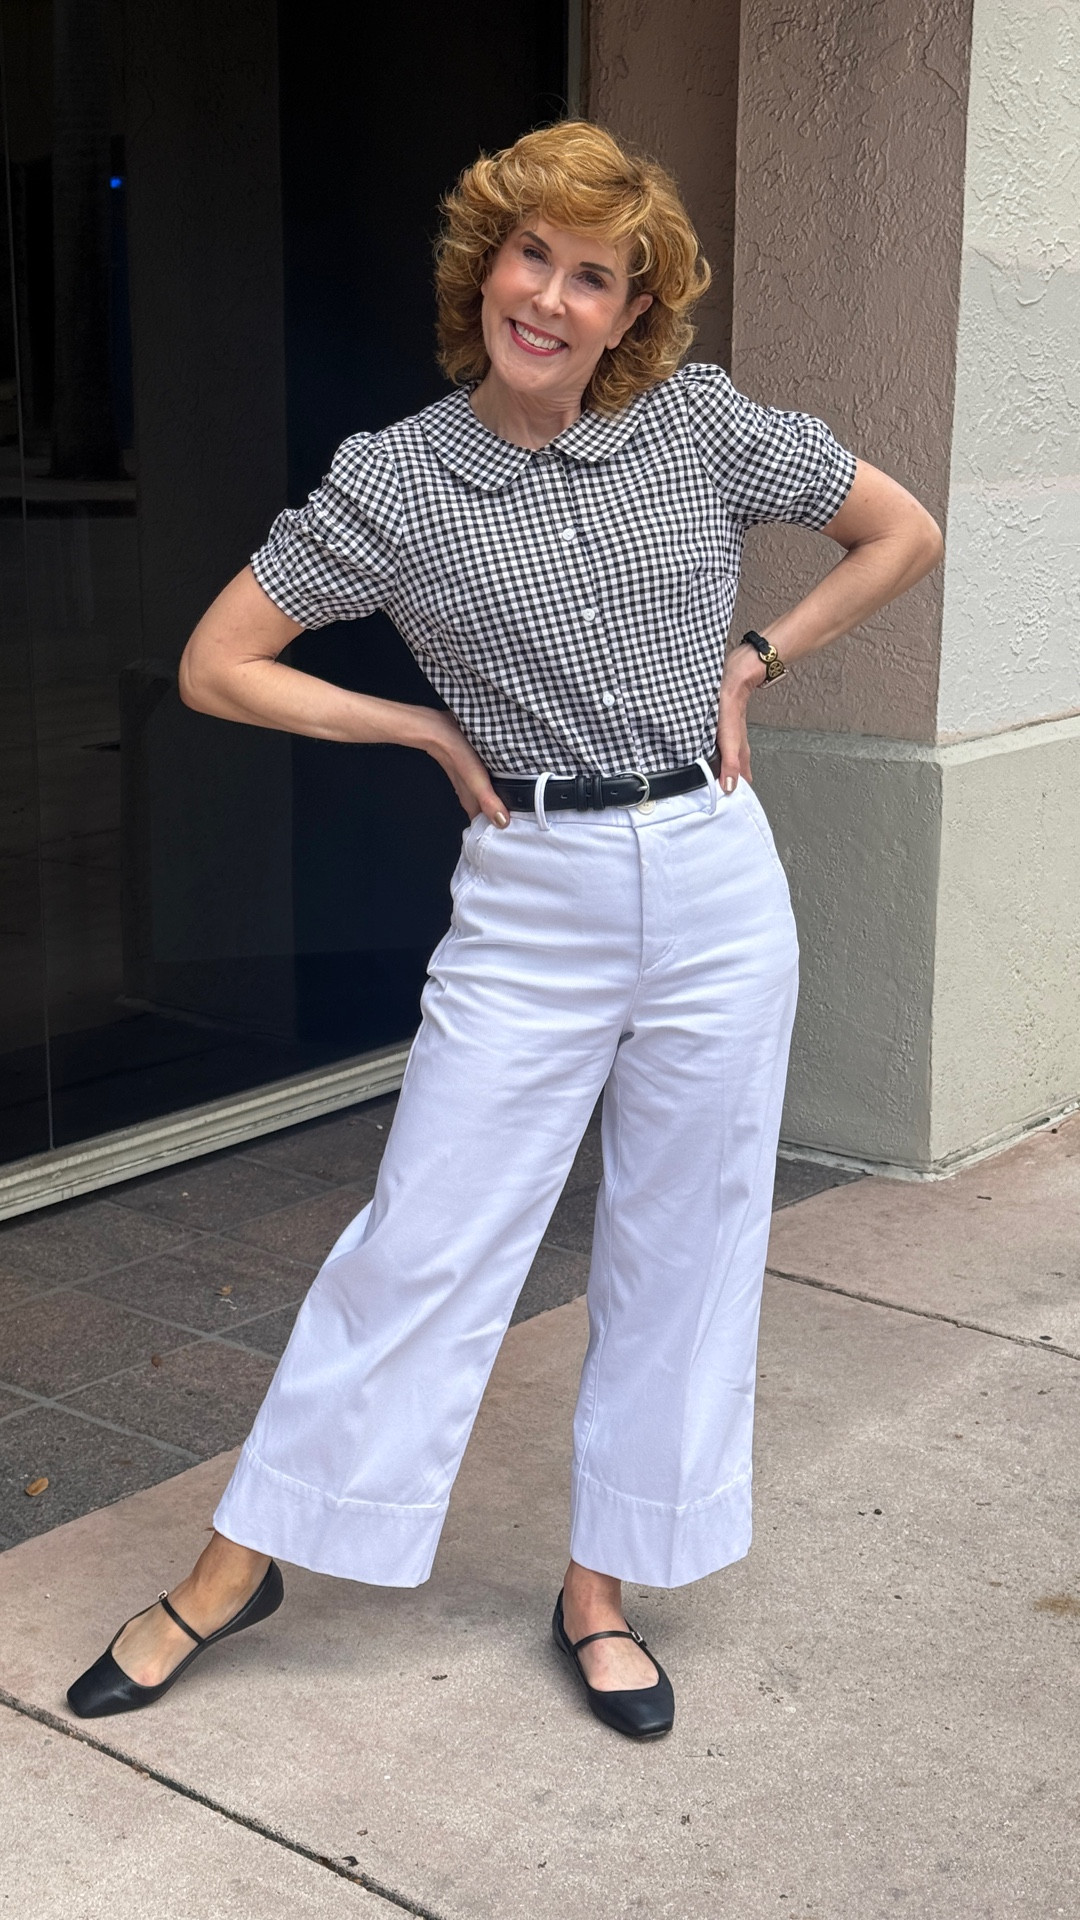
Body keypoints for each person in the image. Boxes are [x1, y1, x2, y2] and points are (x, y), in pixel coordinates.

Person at [67, 120, 942, 1739]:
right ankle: (240, 1563)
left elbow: (903, 532)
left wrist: (759, 655)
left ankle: (601, 1589)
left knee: (687, 1244)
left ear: (632, 309)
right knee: (424, 1236)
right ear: (488, 268)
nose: (549, 295)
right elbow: (216, 662)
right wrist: (418, 732)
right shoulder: (393, 479)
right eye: (530, 255)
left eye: (592, 274)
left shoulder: (697, 423)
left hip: (716, 876)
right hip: (530, 895)